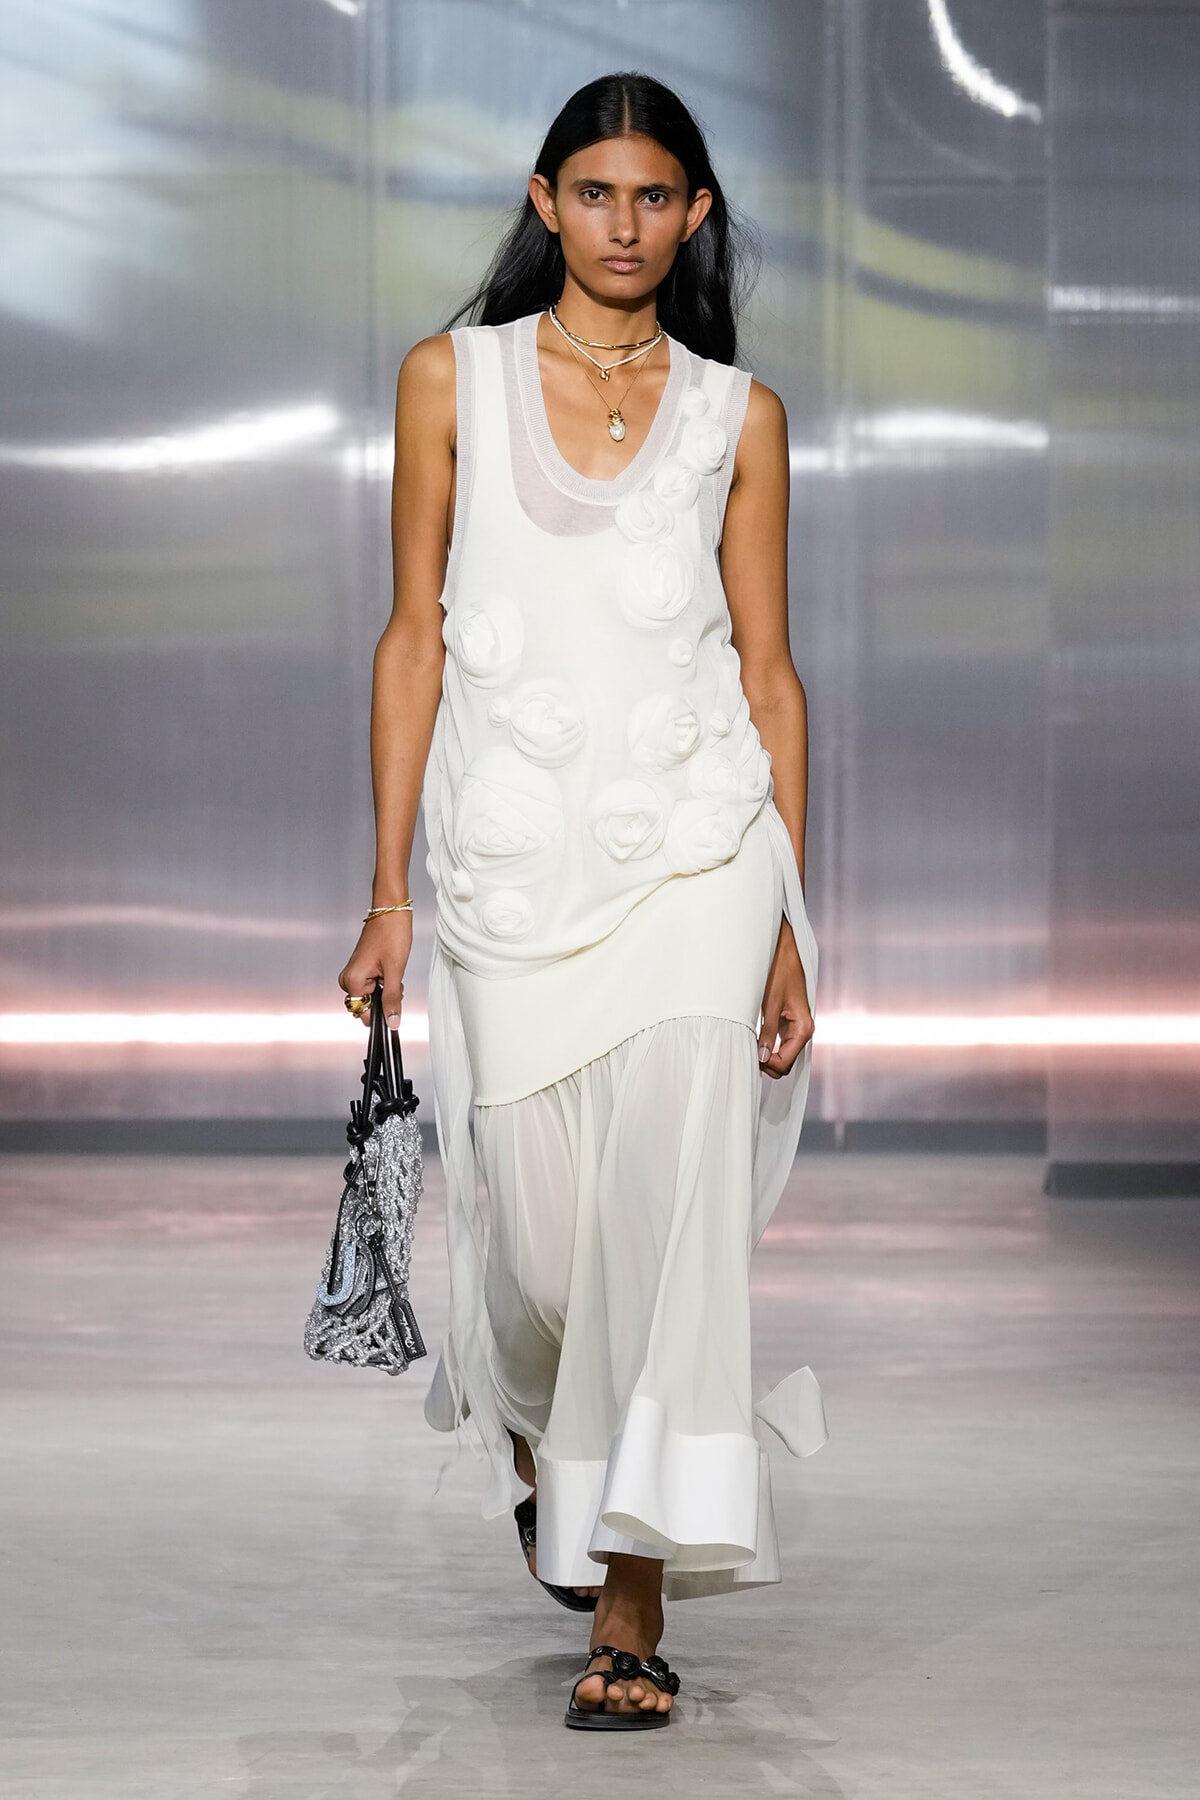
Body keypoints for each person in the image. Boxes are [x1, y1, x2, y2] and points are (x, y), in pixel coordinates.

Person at [339, 70, 826, 1733]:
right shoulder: (449, 382)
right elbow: (414, 636)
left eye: (659, 196)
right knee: (542, 1262)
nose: (628, 224)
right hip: (501, 869)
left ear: (694, 213)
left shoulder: (737, 417)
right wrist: (384, 887)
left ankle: (633, 1602)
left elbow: (768, 671)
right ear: (545, 201)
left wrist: (779, 914)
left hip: (698, 854)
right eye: (597, 192)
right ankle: (557, 1449)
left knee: (664, 1233)